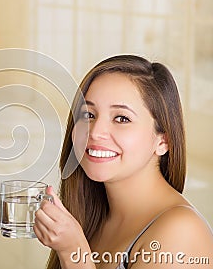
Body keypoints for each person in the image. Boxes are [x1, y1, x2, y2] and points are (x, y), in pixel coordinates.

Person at [34, 55, 213, 269]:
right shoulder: (94, 217)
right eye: (88, 114)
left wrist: (74, 252)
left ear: (163, 141)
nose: (95, 132)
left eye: (122, 118)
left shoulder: (180, 232)